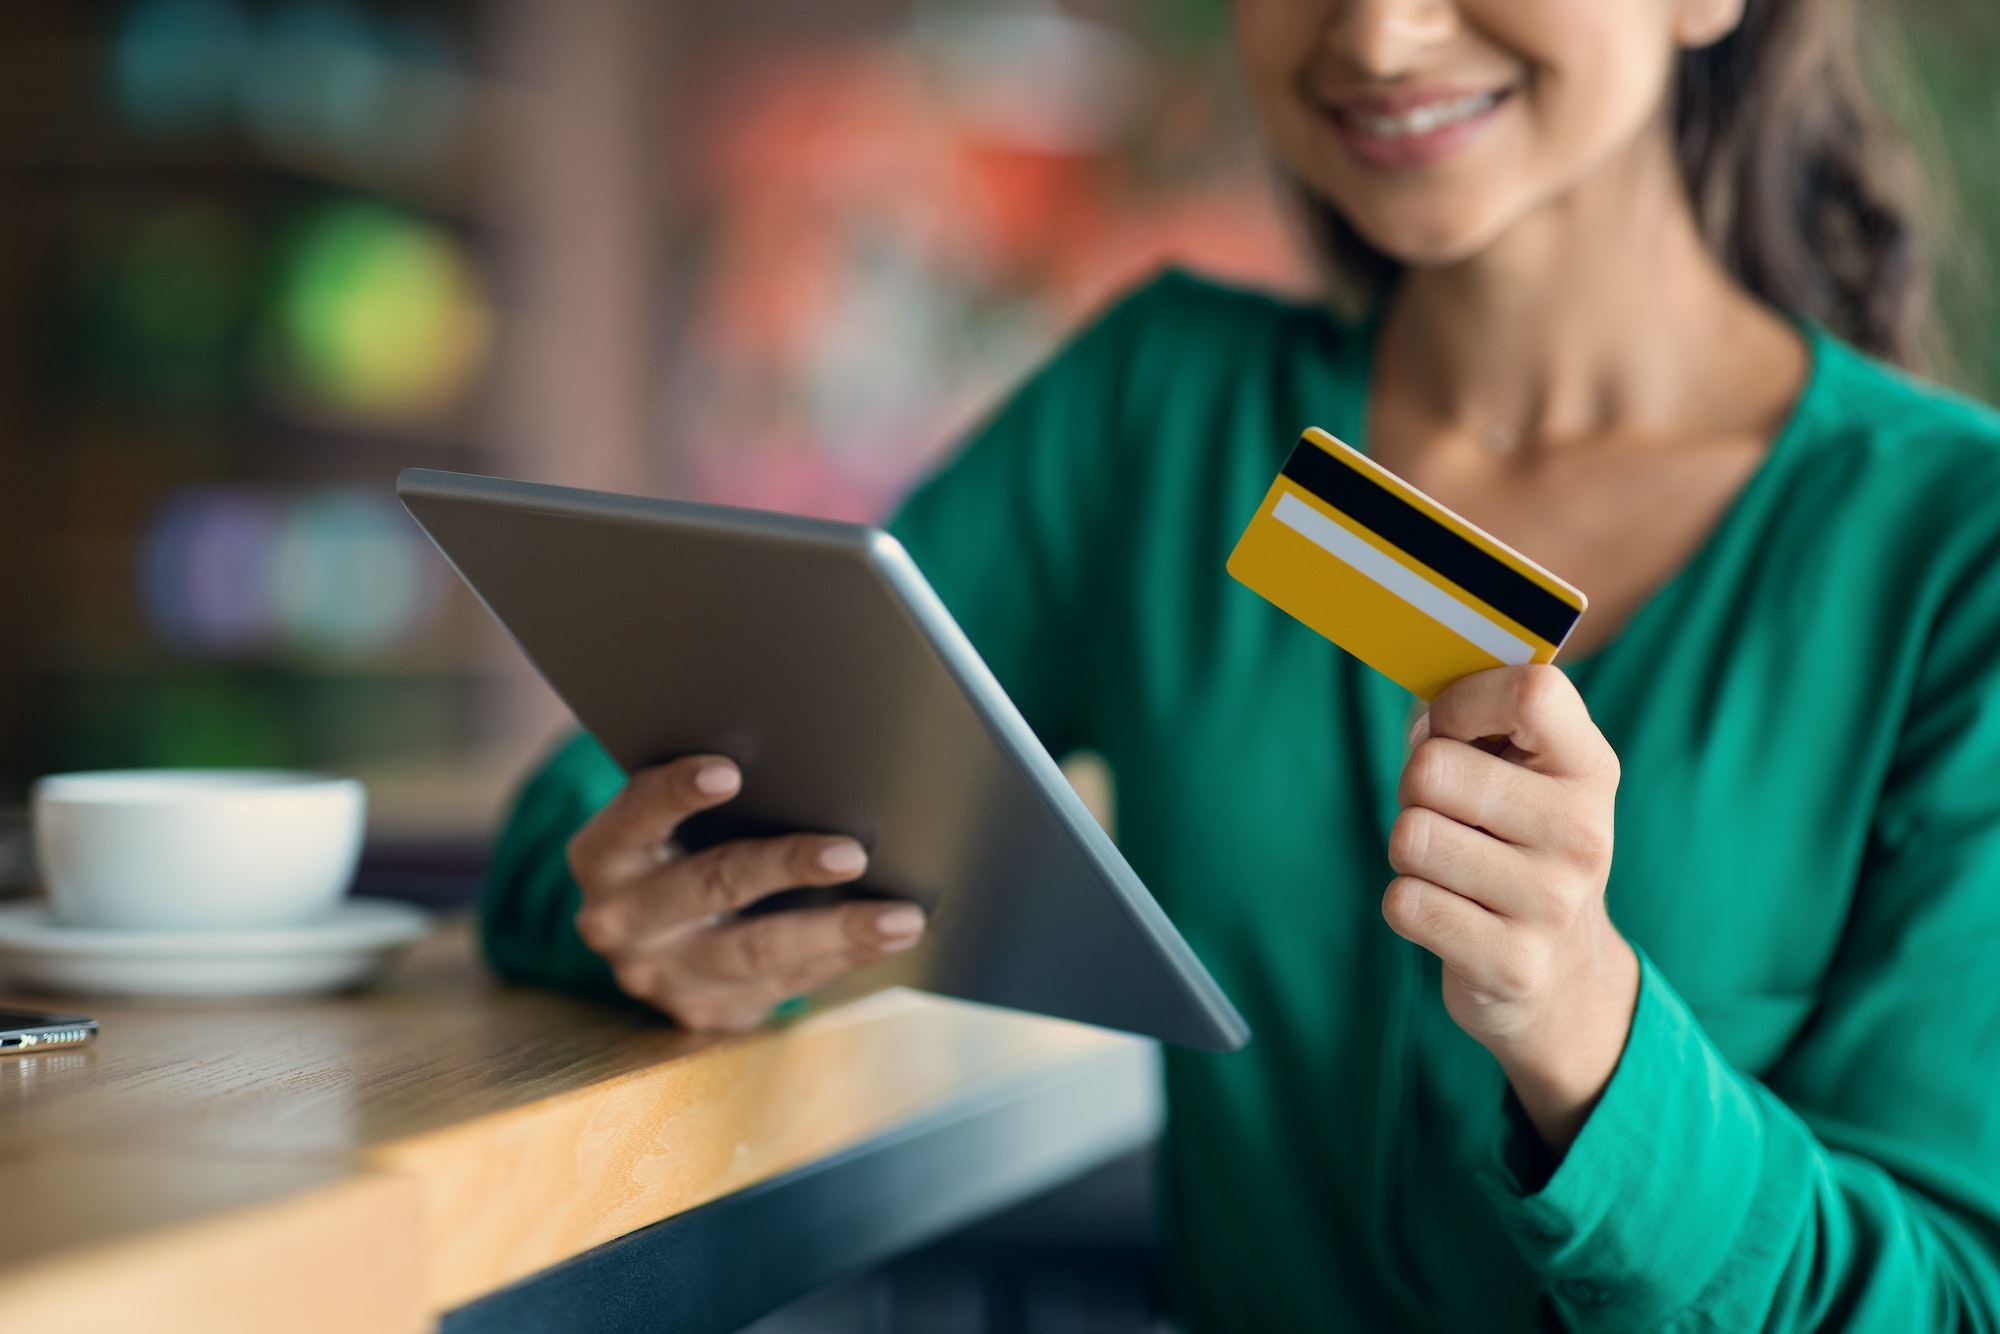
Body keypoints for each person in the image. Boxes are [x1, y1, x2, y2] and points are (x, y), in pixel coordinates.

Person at [481, 1, 2000, 1328]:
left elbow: (1948, 1300)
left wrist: (1594, 1034)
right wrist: (648, 914)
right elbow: (599, 795)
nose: (1378, 34)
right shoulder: (1166, 415)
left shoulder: (1955, 551)